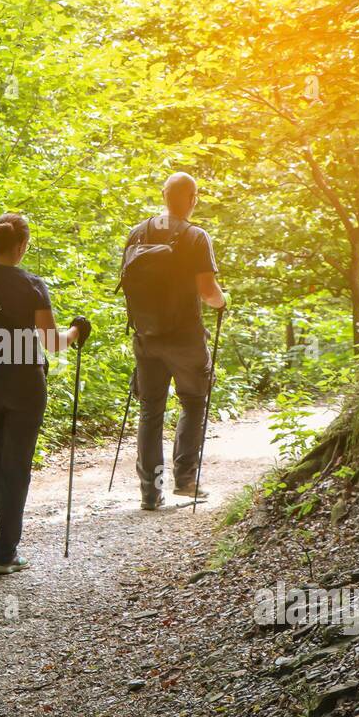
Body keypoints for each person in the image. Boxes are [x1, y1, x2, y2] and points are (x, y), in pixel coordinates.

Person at [0, 213, 90, 575]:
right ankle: (5, 553)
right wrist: (75, 332)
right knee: (17, 466)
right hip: (26, 384)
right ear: (22, 246)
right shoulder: (33, 285)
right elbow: (51, 342)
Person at [124, 173, 226, 510]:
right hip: (185, 338)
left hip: (147, 336)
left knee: (151, 411)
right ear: (193, 199)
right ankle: (185, 480)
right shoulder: (196, 237)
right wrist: (223, 301)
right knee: (194, 402)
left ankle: (150, 493)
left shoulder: (137, 233)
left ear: (164, 195)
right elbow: (209, 293)